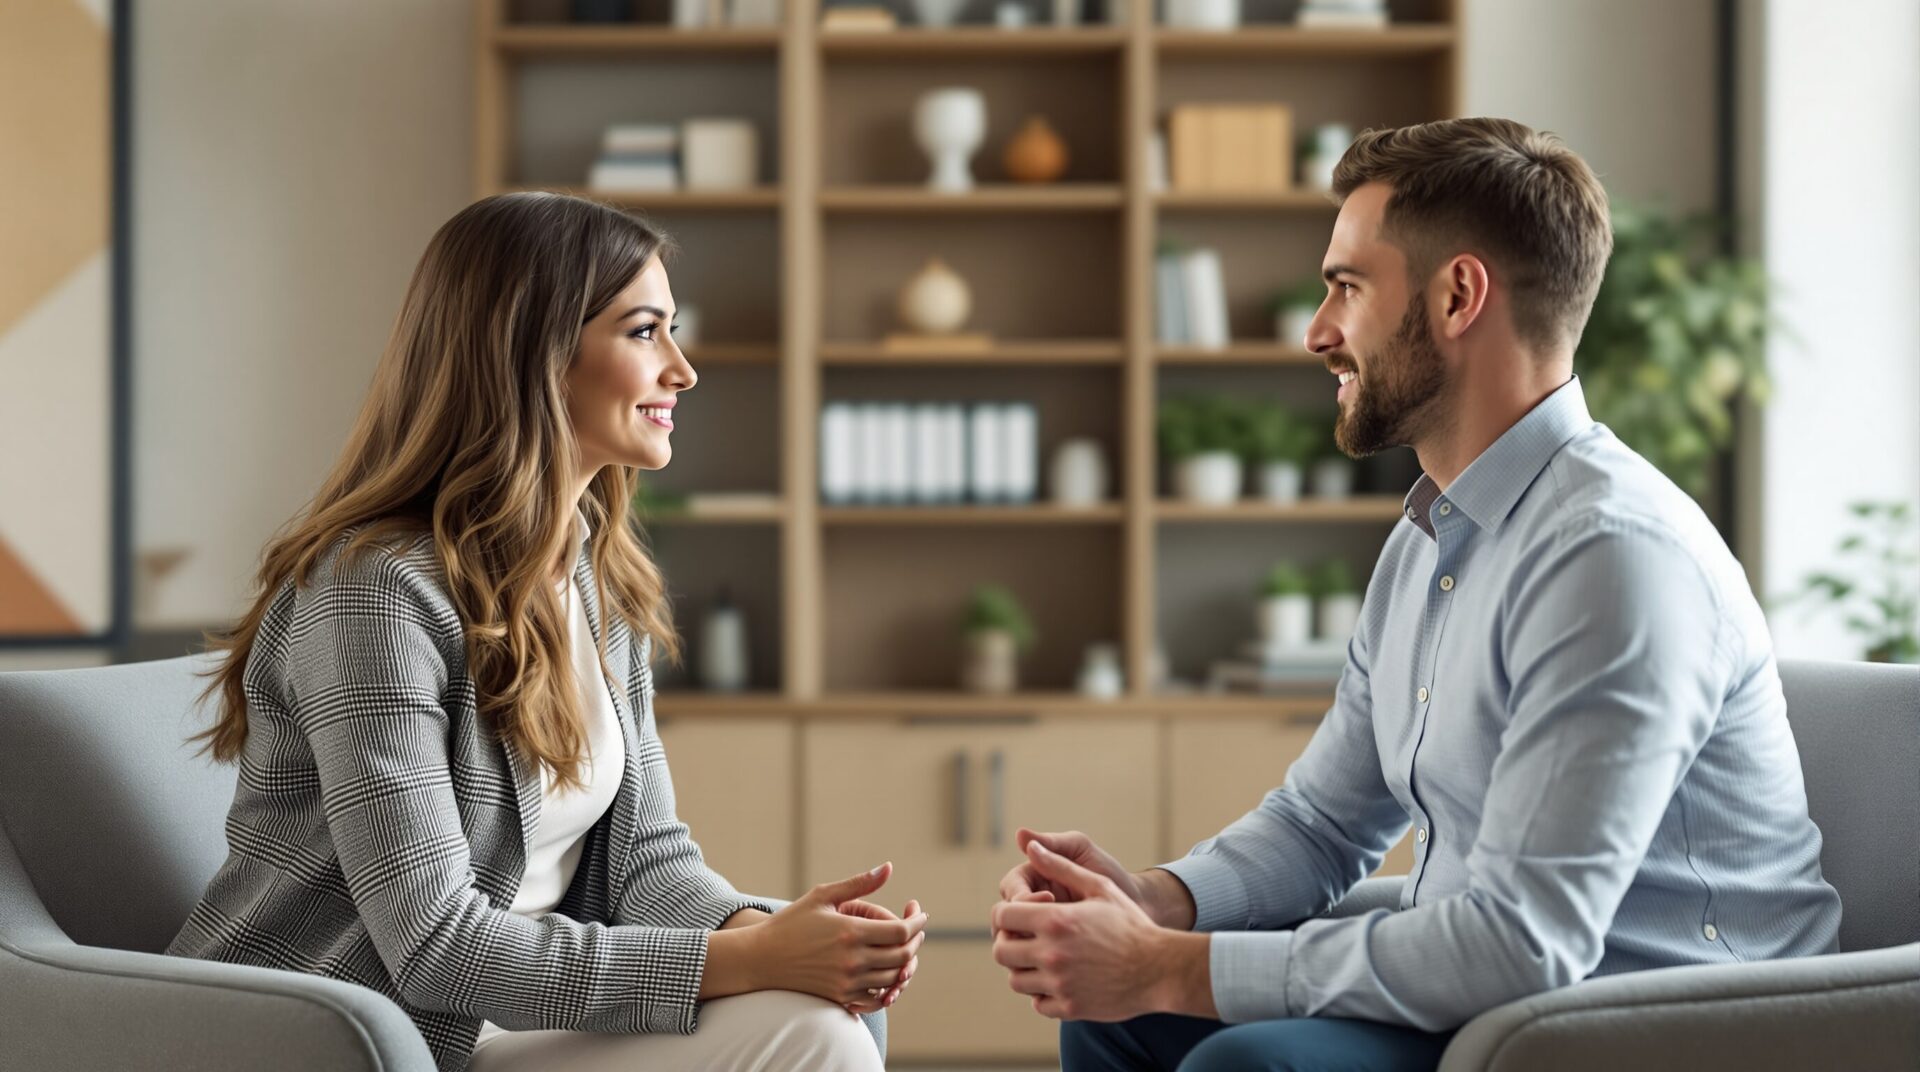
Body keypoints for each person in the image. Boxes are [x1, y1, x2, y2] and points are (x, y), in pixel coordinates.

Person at [990, 117, 1842, 1072]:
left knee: (1241, 1060)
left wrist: (1170, 968)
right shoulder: (1430, 540)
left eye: (1346, 287)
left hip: (1650, 1026)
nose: (1318, 332)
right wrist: (1159, 903)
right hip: (1499, 1011)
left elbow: (1527, 945)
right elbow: (1323, 825)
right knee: (1111, 1019)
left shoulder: (1611, 559)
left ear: (1457, 296)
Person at [168, 192, 924, 1072]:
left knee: (813, 1008)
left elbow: (643, 856)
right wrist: (746, 960)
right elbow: (434, 944)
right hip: (362, 1035)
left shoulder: (594, 569)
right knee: (810, 1033)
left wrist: (775, 934)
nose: (681, 369)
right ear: (537, 352)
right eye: (645, 332)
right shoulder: (374, 592)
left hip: (512, 1017)